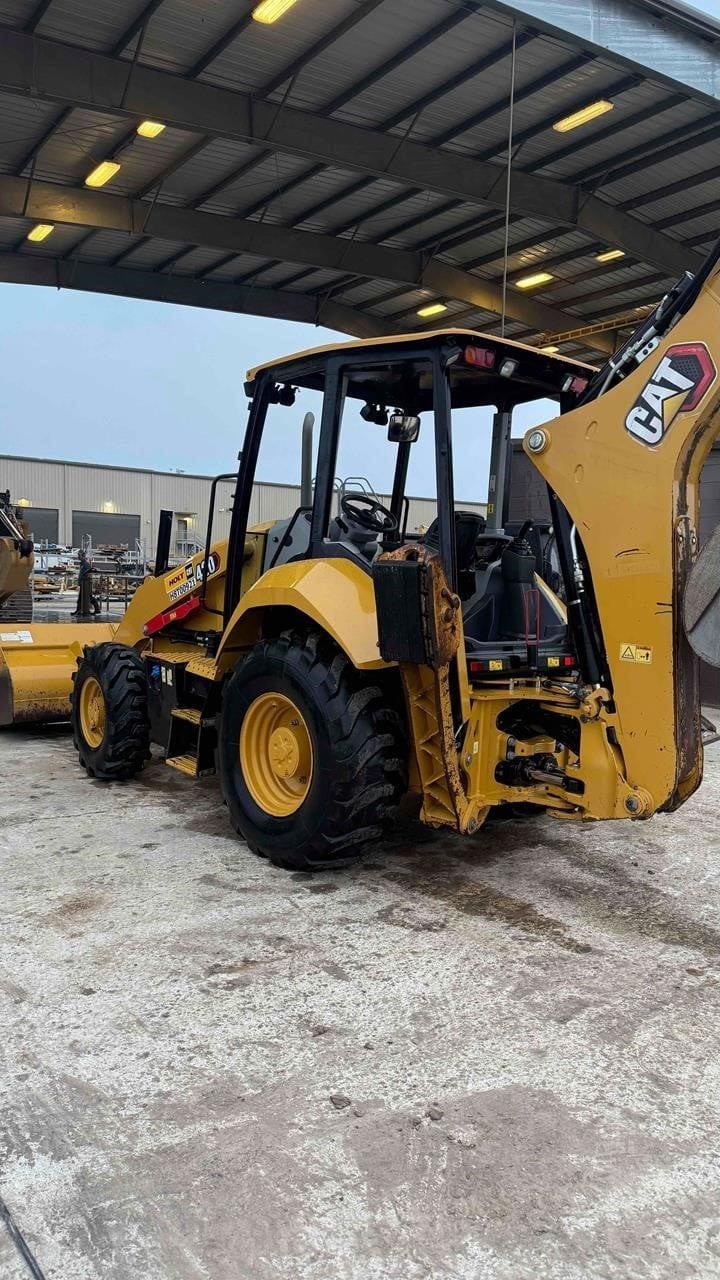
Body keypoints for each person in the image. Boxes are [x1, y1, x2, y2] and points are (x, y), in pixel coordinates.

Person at [72, 550, 100, 617]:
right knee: (81, 598)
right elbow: (81, 574)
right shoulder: (82, 564)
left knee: (89, 597)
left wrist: (83, 582)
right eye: (78, 555)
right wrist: (79, 583)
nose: (78, 557)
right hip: (83, 583)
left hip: (86, 584)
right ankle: (78, 610)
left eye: (79, 555)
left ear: (83, 556)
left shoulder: (86, 564)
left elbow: (88, 574)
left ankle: (97, 609)